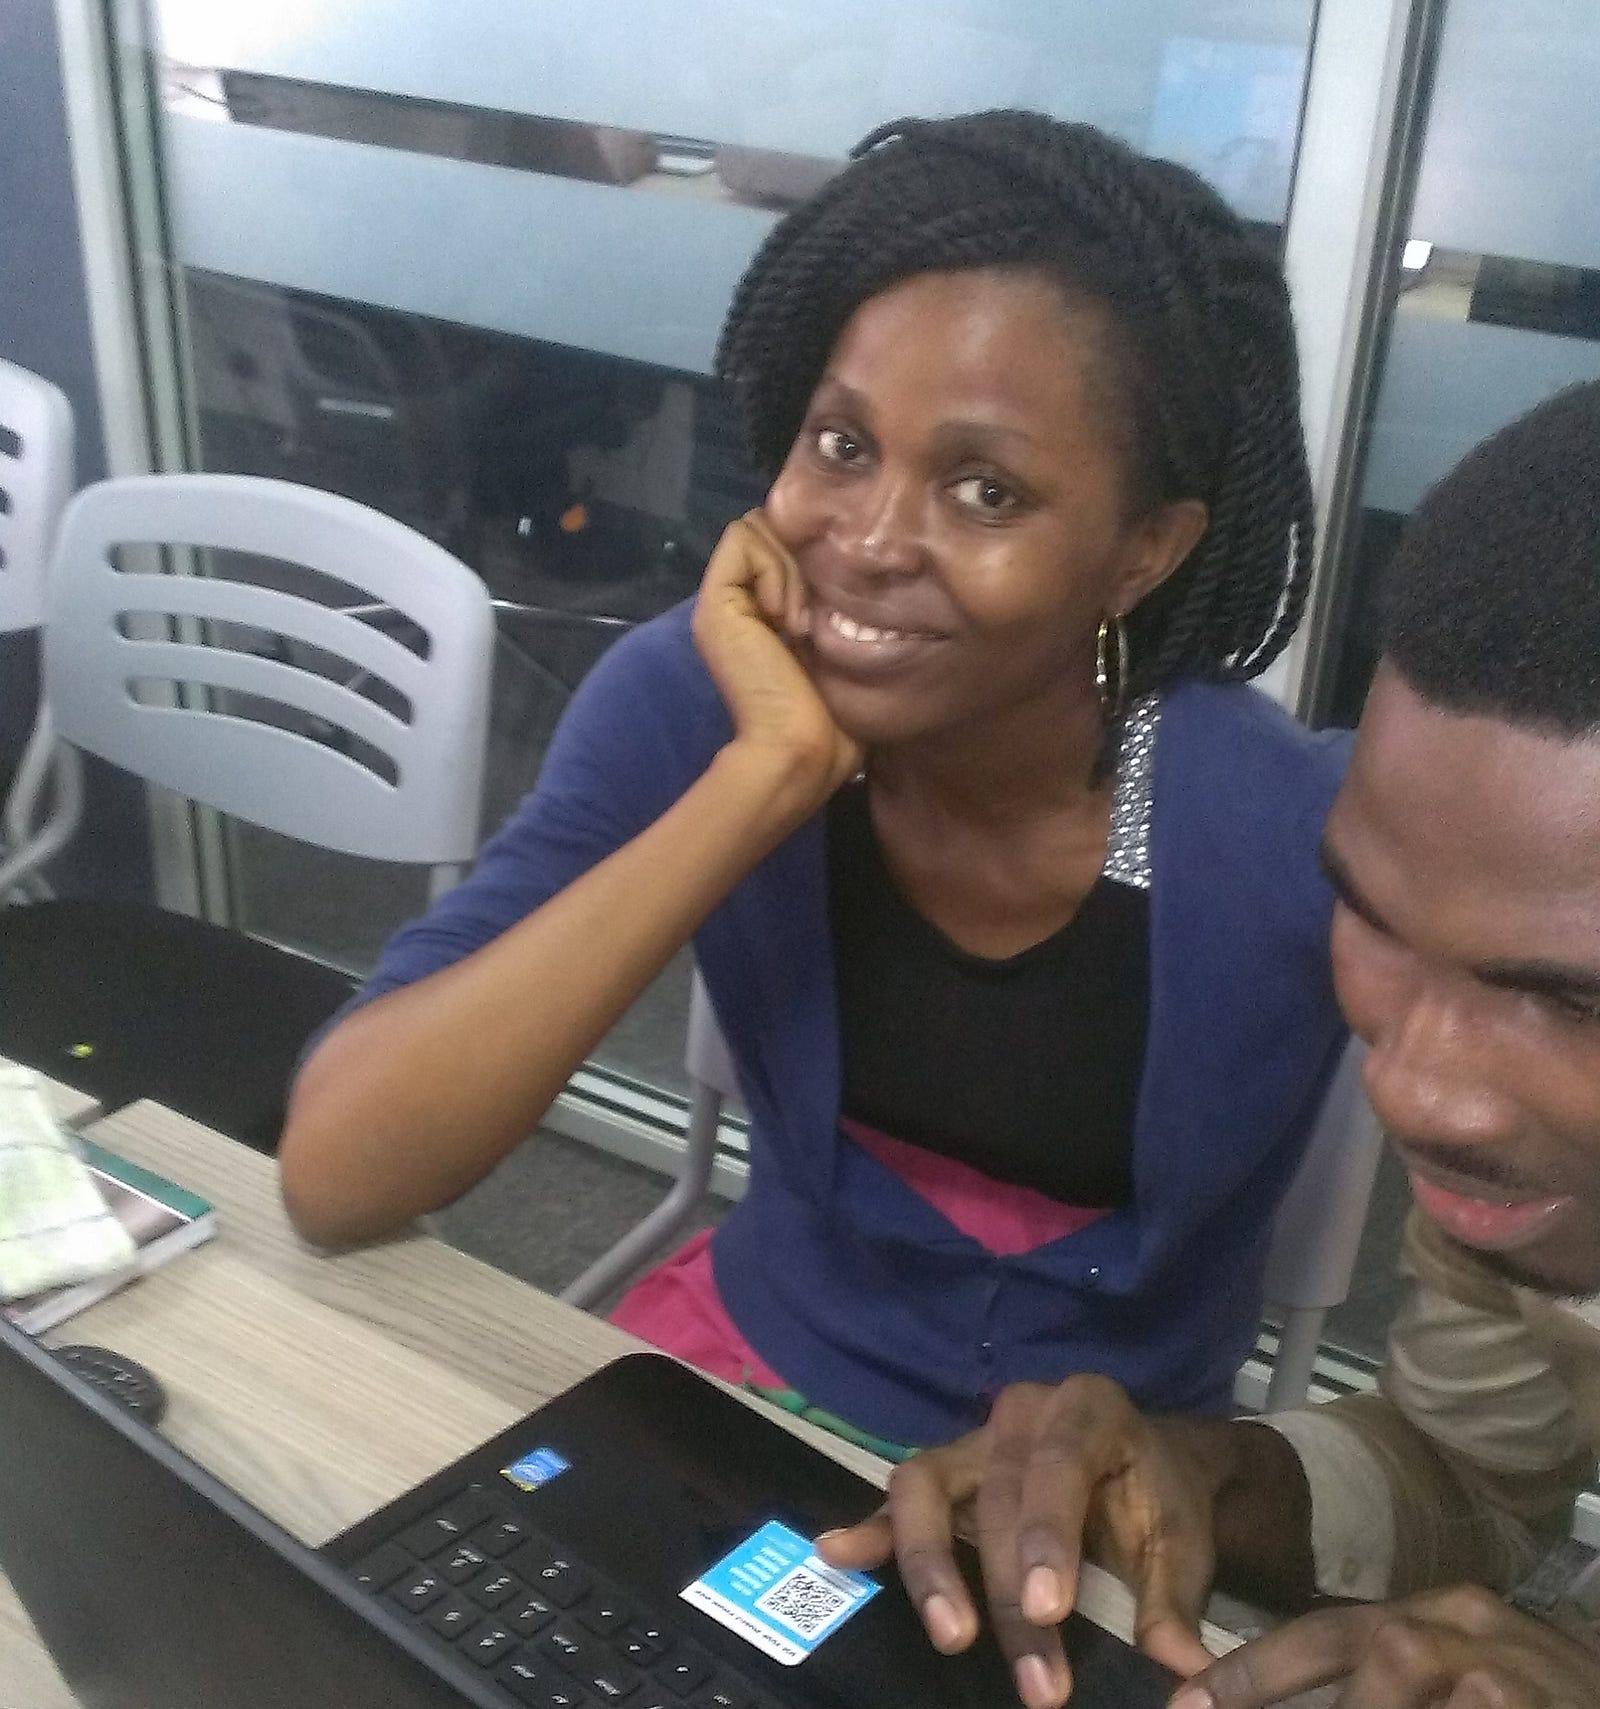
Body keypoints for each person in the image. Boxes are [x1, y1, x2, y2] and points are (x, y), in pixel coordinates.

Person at [278, 111, 1348, 1454]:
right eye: (842, 445)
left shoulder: (1284, 829)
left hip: (1095, 1479)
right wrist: (761, 781)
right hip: (752, 1378)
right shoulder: (697, 697)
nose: (873, 541)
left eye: (987, 492)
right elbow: (341, 1170)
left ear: (1144, 551)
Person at [819, 381, 1600, 1708]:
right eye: (1375, 918)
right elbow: (1470, 1476)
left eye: (1576, 1003)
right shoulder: (1537, 1172)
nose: (1415, 1089)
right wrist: (1202, 1472)